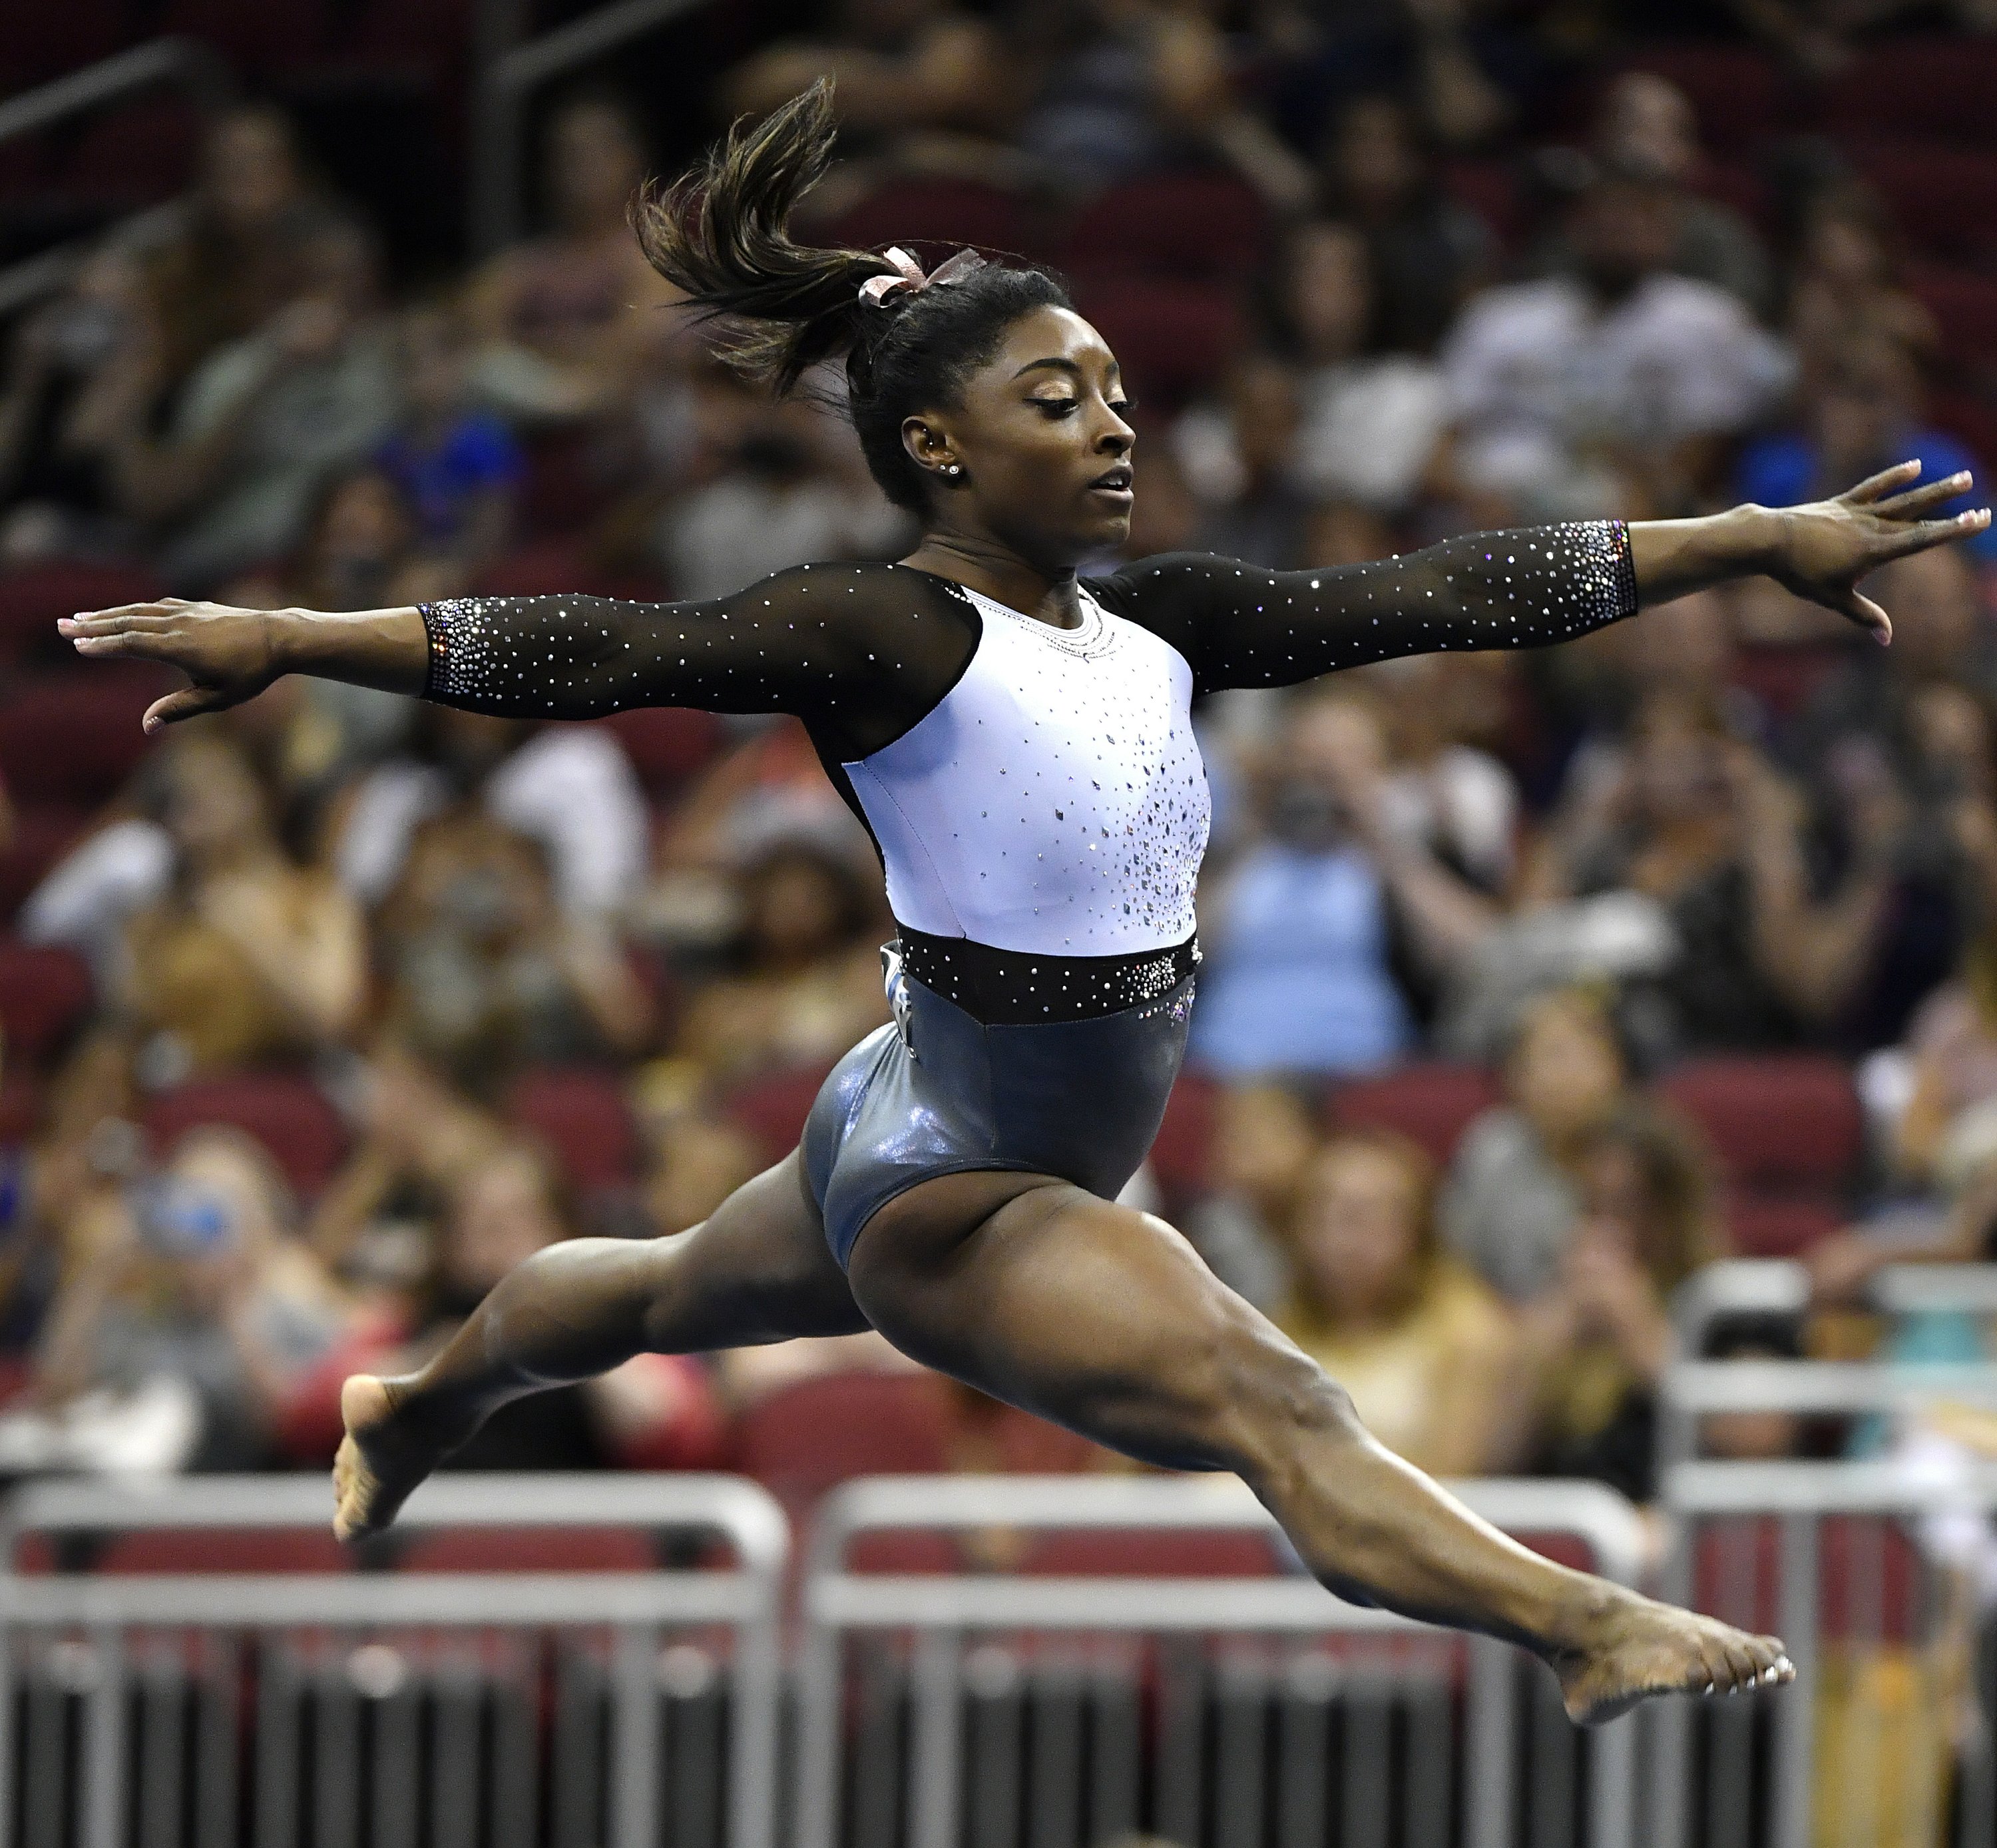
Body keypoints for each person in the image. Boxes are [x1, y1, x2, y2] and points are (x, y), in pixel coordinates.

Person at [72, 81, 1989, 1720]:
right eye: (1059, 398)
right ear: (938, 445)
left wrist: (1757, 538)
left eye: (1119, 391)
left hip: (899, 1100)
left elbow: (1466, 588)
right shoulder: (884, 628)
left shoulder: (1159, 625)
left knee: (661, 1287)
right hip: (968, 1182)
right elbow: (600, 645)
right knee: (1273, 1398)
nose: (1114, 424)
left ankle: (418, 1397)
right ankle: (1576, 1629)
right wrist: (294, 634)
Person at [1276, 1129, 1518, 1479]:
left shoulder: (1469, 1332)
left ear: (1416, 1228)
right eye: (1328, 1216)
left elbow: (1450, 1481)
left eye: (1366, 1217)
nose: (1345, 1240)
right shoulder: (1277, 1327)